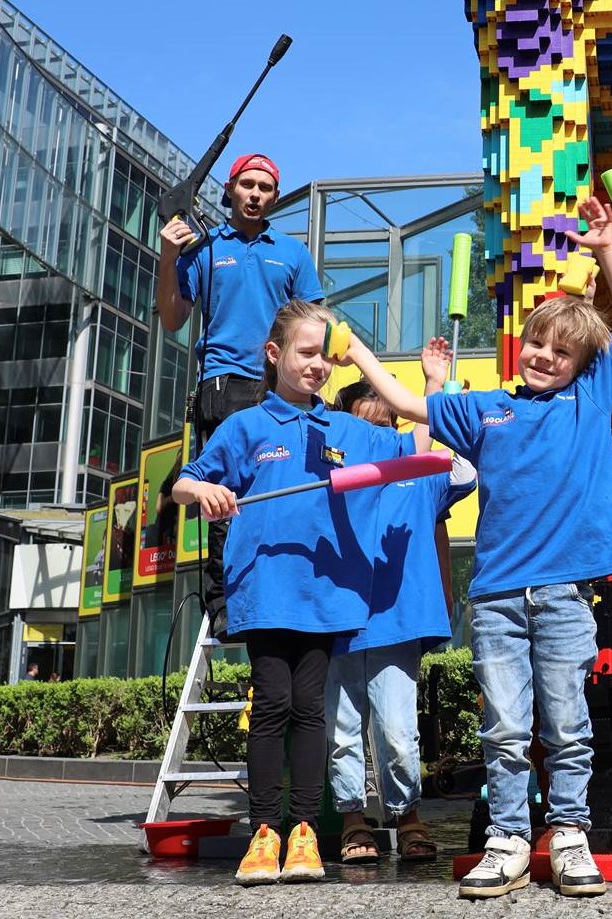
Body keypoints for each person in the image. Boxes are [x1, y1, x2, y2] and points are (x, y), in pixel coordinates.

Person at [342, 196, 612, 898]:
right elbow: (406, 402)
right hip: (498, 598)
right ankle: (507, 837)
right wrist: (353, 349)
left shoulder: (587, 399)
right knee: (505, 726)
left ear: (582, 365)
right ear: (521, 344)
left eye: (562, 352)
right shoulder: (486, 408)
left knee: (567, 723)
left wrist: (606, 248)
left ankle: (568, 835)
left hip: (565, 594)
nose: (546, 357)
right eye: (538, 344)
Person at [173, 300, 413, 886]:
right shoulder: (245, 427)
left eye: (325, 356)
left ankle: (303, 831)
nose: (317, 366)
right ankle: (264, 832)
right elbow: (182, 483)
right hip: (265, 590)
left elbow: (416, 442)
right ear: (274, 354)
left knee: (311, 710)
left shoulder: (347, 429)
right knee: (272, 705)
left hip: (327, 595)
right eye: (306, 353)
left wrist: (365, 355)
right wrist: (204, 493)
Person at [155, 153, 324, 633]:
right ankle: (224, 606)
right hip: (222, 384)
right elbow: (172, 319)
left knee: (285, 489)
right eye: (247, 185)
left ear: (275, 197)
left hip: (279, 388)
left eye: (265, 188)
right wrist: (168, 257)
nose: (255, 194)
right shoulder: (203, 249)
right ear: (229, 190)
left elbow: (315, 324)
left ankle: (284, 592)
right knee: (222, 498)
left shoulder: (292, 252)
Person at [326, 342, 477, 865]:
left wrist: (434, 386)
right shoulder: (330, 479)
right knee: (342, 729)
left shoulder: (418, 472)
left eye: (385, 424)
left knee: (396, 730)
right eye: (362, 426)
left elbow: (447, 454)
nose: (377, 435)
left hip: (397, 621)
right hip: (337, 619)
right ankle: (352, 819)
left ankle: (407, 815)